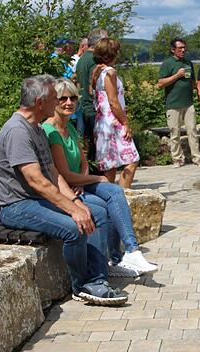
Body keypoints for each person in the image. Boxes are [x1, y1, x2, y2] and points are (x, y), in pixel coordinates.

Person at [0, 75, 127, 305]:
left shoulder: (36, 128)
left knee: (97, 212)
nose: (59, 102)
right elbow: (36, 181)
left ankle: (98, 278)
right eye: (55, 98)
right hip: (15, 205)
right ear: (39, 102)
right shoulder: (18, 131)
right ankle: (81, 286)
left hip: (35, 198)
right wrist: (73, 210)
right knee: (74, 228)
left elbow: (53, 174)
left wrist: (75, 201)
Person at [41, 77, 156, 277]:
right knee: (104, 204)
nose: (69, 103)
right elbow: (64, 174)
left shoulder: (68, 126)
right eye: (62, 99)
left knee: (115, 191)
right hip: (64, 189)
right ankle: (116, 258)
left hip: (80, 183)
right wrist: (96, 179)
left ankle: (129, 251)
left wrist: (85, 181)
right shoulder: (50, 131)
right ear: (54, 101)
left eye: (73, 98)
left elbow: (83, 161)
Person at [91, 38, 140, 188]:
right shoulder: (110, 72)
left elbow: (93, 93)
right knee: (132, 159)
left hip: (101, 123)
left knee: (109, 166)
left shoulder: (97, 72)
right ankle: (124, 195)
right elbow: (113, 101)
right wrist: (126, 122)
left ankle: (112, 199)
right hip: (113, 122)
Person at [157, 37, 200, 167]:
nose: (183, 50)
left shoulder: (188, 62)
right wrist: (177, 75)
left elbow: (193, 81)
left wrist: (198, 90)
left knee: (193, 131)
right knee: (174, 133)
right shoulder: (167, 63)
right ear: (173, 50)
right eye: (180, 48)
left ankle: (197, 158)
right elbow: (160, 83)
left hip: (188, 103)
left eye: (184, 48)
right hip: (173, 104)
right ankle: (177, 159)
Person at [76, 29, 109, 162]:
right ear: (98, 43)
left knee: (91, 144)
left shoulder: (82, 59)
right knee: (97, 148)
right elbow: (93, 88)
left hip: (85, 107)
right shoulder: (94, 60)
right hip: (93, 109)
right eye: (106, 41)